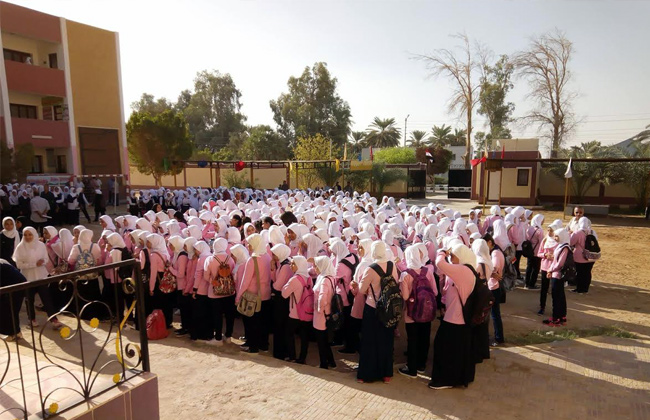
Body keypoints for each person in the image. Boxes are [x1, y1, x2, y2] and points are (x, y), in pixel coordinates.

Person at [429, 243, 477, 389]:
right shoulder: (465, 269)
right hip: (455, 317)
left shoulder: (462, 270)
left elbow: (439, 264)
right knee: (454, 351)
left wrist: (442, 251)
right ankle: (455, 378)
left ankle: (446, 380)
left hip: (456, 319)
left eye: (452, 255)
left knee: (446, 350)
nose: (450, 258)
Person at [353, 241, 399, 384]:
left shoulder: (370, 268)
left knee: (369, 341)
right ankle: (386, 374)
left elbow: (361, 290)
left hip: (373, 308)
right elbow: (395, 283)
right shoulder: (392, 266)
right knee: (386, 340)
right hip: (388, 309)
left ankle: (367, 374)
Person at [398, 245, 438, 378]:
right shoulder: (428, 271)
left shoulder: (405, 274)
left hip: (411, 313)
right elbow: (435, 291)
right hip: (426, 311)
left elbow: (404, 296)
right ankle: (422, 365)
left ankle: (412, 368)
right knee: (424, 338)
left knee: (413, 339)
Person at [13, 227, 63, 329]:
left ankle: (53, 319)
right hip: (27, 277)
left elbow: (45, 259)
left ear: (34, 234)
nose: (27, 237)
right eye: (25, 234)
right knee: (29, 299)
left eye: (30, 234)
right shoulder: (20, 247)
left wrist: (41, 262)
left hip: (41, 276)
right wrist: (33, 264)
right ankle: (31, 319)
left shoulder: (40, 245)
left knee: (46, 298)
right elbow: (18, 264)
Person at [204, 238, 236, 346]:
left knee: (217, 315)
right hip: (229, 292)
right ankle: (228, 336)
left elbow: (205, 276)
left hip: (215, 292)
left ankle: (218, 338)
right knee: (229, 315)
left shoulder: (210, 259)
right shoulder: (230, 259)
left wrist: (213, 282)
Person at [312, 255, 337, 369]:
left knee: (321, 341)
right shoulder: (329, 277)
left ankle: (324, 364)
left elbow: (322, 298)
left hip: (321, 315)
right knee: (325, 340)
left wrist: (318, 309)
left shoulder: (324, 280)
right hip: (326, 313)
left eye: (316, 266)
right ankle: (331, 361)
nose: (314, 268)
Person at [270, 243, 292, 360]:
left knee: (281, 327)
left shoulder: (286, 266)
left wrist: (274, 284)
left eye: (274, 254)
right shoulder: (282, 264)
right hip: (280, 299)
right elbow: (275, 280)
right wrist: (273, 269)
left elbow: (277, 286)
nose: (273, 256)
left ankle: (282, 353)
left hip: (282, 300)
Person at [537, 220, 562, 316]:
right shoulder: (545, 240)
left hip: (554, 268)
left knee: (554, 289)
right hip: (545, 266)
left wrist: (554, 257)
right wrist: (545, 254)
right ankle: (542, 307)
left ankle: (555, 309)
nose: (549, 232)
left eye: (551, 231)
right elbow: (539, 253)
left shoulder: (558, 242)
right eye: (548, 230)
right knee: (544, 288)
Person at [0, 259, 27, 341]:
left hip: (15, 288)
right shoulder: (2, 261)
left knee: (10, 311)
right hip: (17, 286)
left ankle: (15, 333)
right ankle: (15, 333)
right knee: (11, 311)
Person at [570, 218, 596, 294]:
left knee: (580, 273)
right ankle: (585, 289)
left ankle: (579, 289)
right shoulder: (592, 232)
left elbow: (571, 242)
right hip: (591, 256)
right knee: (587, 272)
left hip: (580, 256)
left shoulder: (578, 233)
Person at [524, 214, 545, 290]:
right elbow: (541, 242)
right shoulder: (540, 231)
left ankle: (526, 283)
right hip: (536, 252)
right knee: (535, 268)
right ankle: (532, 284)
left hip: (529, 251)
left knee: (529, 267)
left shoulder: (529, 228)